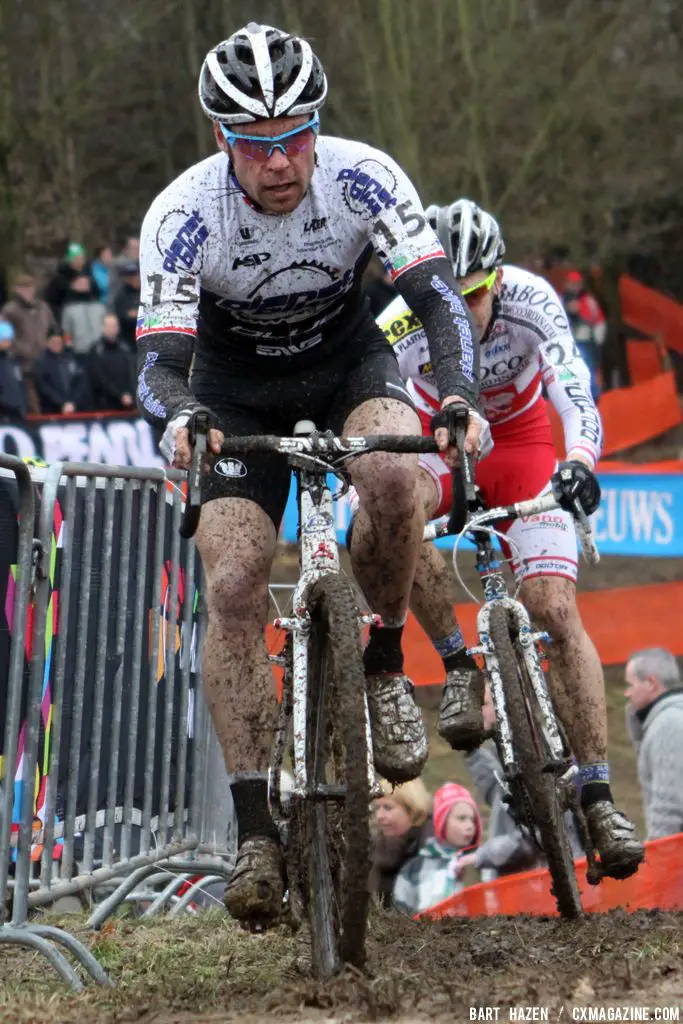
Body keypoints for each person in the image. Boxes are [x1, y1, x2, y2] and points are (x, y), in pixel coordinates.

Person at [135, 23, 483, 928]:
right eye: (257, 146)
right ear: (224, 141)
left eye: (296, 137)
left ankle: (382, 659)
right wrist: (181, 419)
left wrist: (454, 397)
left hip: (346, 369)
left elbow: (437, 297)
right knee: (237, 578)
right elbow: (157, 364)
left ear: (318, 128)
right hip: (230, 395)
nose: (281, 162)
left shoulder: (363, 175)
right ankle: (255, 831)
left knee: (396, 475)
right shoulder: (183, 214)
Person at [374, 198, 644, 881]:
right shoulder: (399, 324)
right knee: (397, 513)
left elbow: (573, 388)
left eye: (475, 293)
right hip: (439, 443)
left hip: (521, 442)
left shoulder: (529, 299)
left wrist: (580, 461)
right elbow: (378, 413)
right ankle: (458, 665)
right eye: (448, 297)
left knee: (553, 608)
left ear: (496, 276)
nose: (464, 311)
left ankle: (598, 792)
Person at [392, 782, 482, 914]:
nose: (470, 825)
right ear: (442, 821)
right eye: (461, 818)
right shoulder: (415, 868)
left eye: (473, 819)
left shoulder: (481, 861)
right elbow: (400, 916)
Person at [625, 648, 683, 839]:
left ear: (650, 683)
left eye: (630, 685)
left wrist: (659, 864)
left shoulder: (668, 724)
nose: (627, 693)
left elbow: (668, 811)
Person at [369, 778, 433, 905]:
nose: (379, 816)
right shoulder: (376, 851)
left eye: (388, 808)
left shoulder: (430, 849)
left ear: (412, 810)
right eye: (377, 808)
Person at [1, 273, 56, 413]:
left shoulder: (44, 307)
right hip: (23, 365)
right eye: (24, 287)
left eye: (30, 286)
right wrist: (21, 350)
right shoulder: (9, 310)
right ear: (16, 289)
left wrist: (52, 344)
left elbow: (53, 330)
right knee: (32, 404)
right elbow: (5, 338)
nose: (28, 290)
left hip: (46, 363)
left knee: (50, 402)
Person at [562, 271, 606, 401]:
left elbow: (598, 320)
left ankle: (592, 397)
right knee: (566, 371)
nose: (574, 287)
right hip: (566, 343)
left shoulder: (588, 301)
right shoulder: (559, 300)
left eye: (576, 284)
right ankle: (570, 397)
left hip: (585, 342)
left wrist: (598, 339)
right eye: (571, 284)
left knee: (587, 369)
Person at [87, 313, 136, 410]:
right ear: (103, 327)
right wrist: (120, 395)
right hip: (105, 403)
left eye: (114, 325)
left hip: (128, 401)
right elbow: (99, 378)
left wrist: (130, 393)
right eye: (109, 326)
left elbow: (132, 372)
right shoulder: (97, 350)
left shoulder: (125, 348)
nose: (112, 329)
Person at [34, 329, 89, 414]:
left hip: (75, 408)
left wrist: (73, 402)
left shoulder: (70, 358)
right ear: (47, 342)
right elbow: (43, 387)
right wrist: (61, 403)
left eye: (59, 342)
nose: (56, 345)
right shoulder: (41, 361)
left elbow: (80, 381)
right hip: (52, 411)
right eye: (53, 342)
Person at [44, 243, 100, 323]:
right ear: (69, 260)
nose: (79, 261)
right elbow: (52, 302)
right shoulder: (59, 279)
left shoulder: (89, 276)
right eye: (75, 258)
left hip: (88, 319)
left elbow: (97, 296)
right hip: (67, 319)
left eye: (81, 258)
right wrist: (71, 290)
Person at [0, 318, 28, 418]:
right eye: (3, 339)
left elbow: (20, 384)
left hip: (18, 411)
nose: (7, 342)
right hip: (4, 413)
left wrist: (24, 405)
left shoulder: (14, 360)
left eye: (8, 339)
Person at [113, 261, 141, 351]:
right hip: (128, 340)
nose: (135, 279)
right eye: (132, 276)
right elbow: (122, 317)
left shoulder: (146, 293)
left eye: (136, 275)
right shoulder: (121, 295)